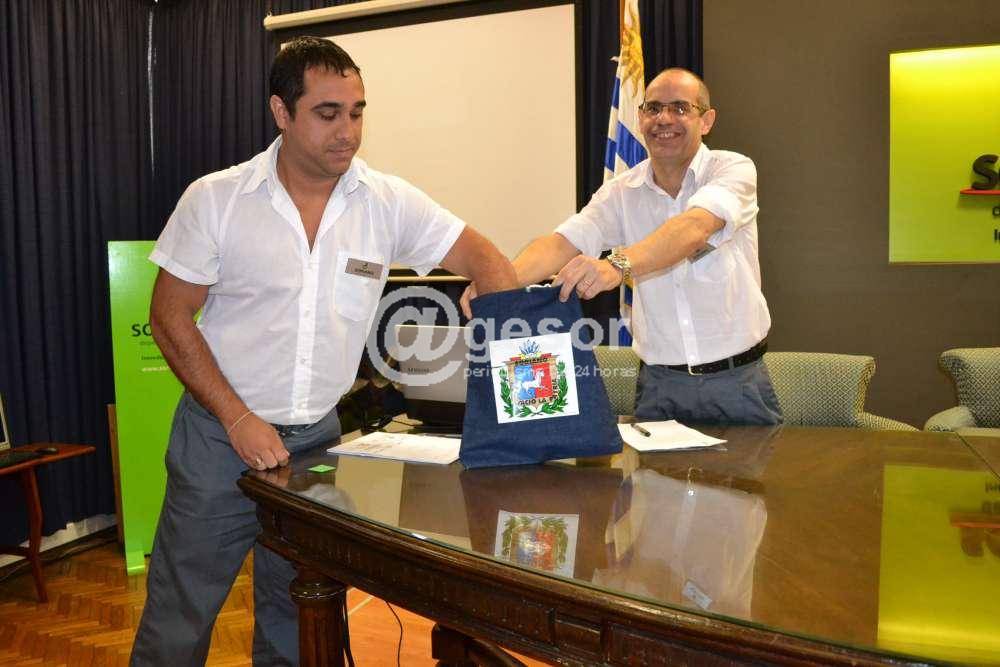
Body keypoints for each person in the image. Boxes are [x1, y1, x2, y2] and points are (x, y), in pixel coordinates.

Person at [130, 36, 516, 666]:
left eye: (357, 112)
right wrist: (237, 417)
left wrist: (491, 289)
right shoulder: (217, 199)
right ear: (281, 112)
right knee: (179, 619)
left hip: (315, 444)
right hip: (218, 441)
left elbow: (485, 256)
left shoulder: (386, 200)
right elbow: (169, 317)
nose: (348, 132)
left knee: (300, 619)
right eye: (328, 113)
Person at [463, 67, 780, 425]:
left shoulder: (733, 169)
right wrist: (500, 279)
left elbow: (693, 228)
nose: (663, 119)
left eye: (680, 108)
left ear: (706, 121)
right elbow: (562, 243)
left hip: (738, 383)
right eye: (653, 108)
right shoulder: (621, 191)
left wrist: (616, 265)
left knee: (756, 466)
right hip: (660, 387)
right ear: (641, 118)